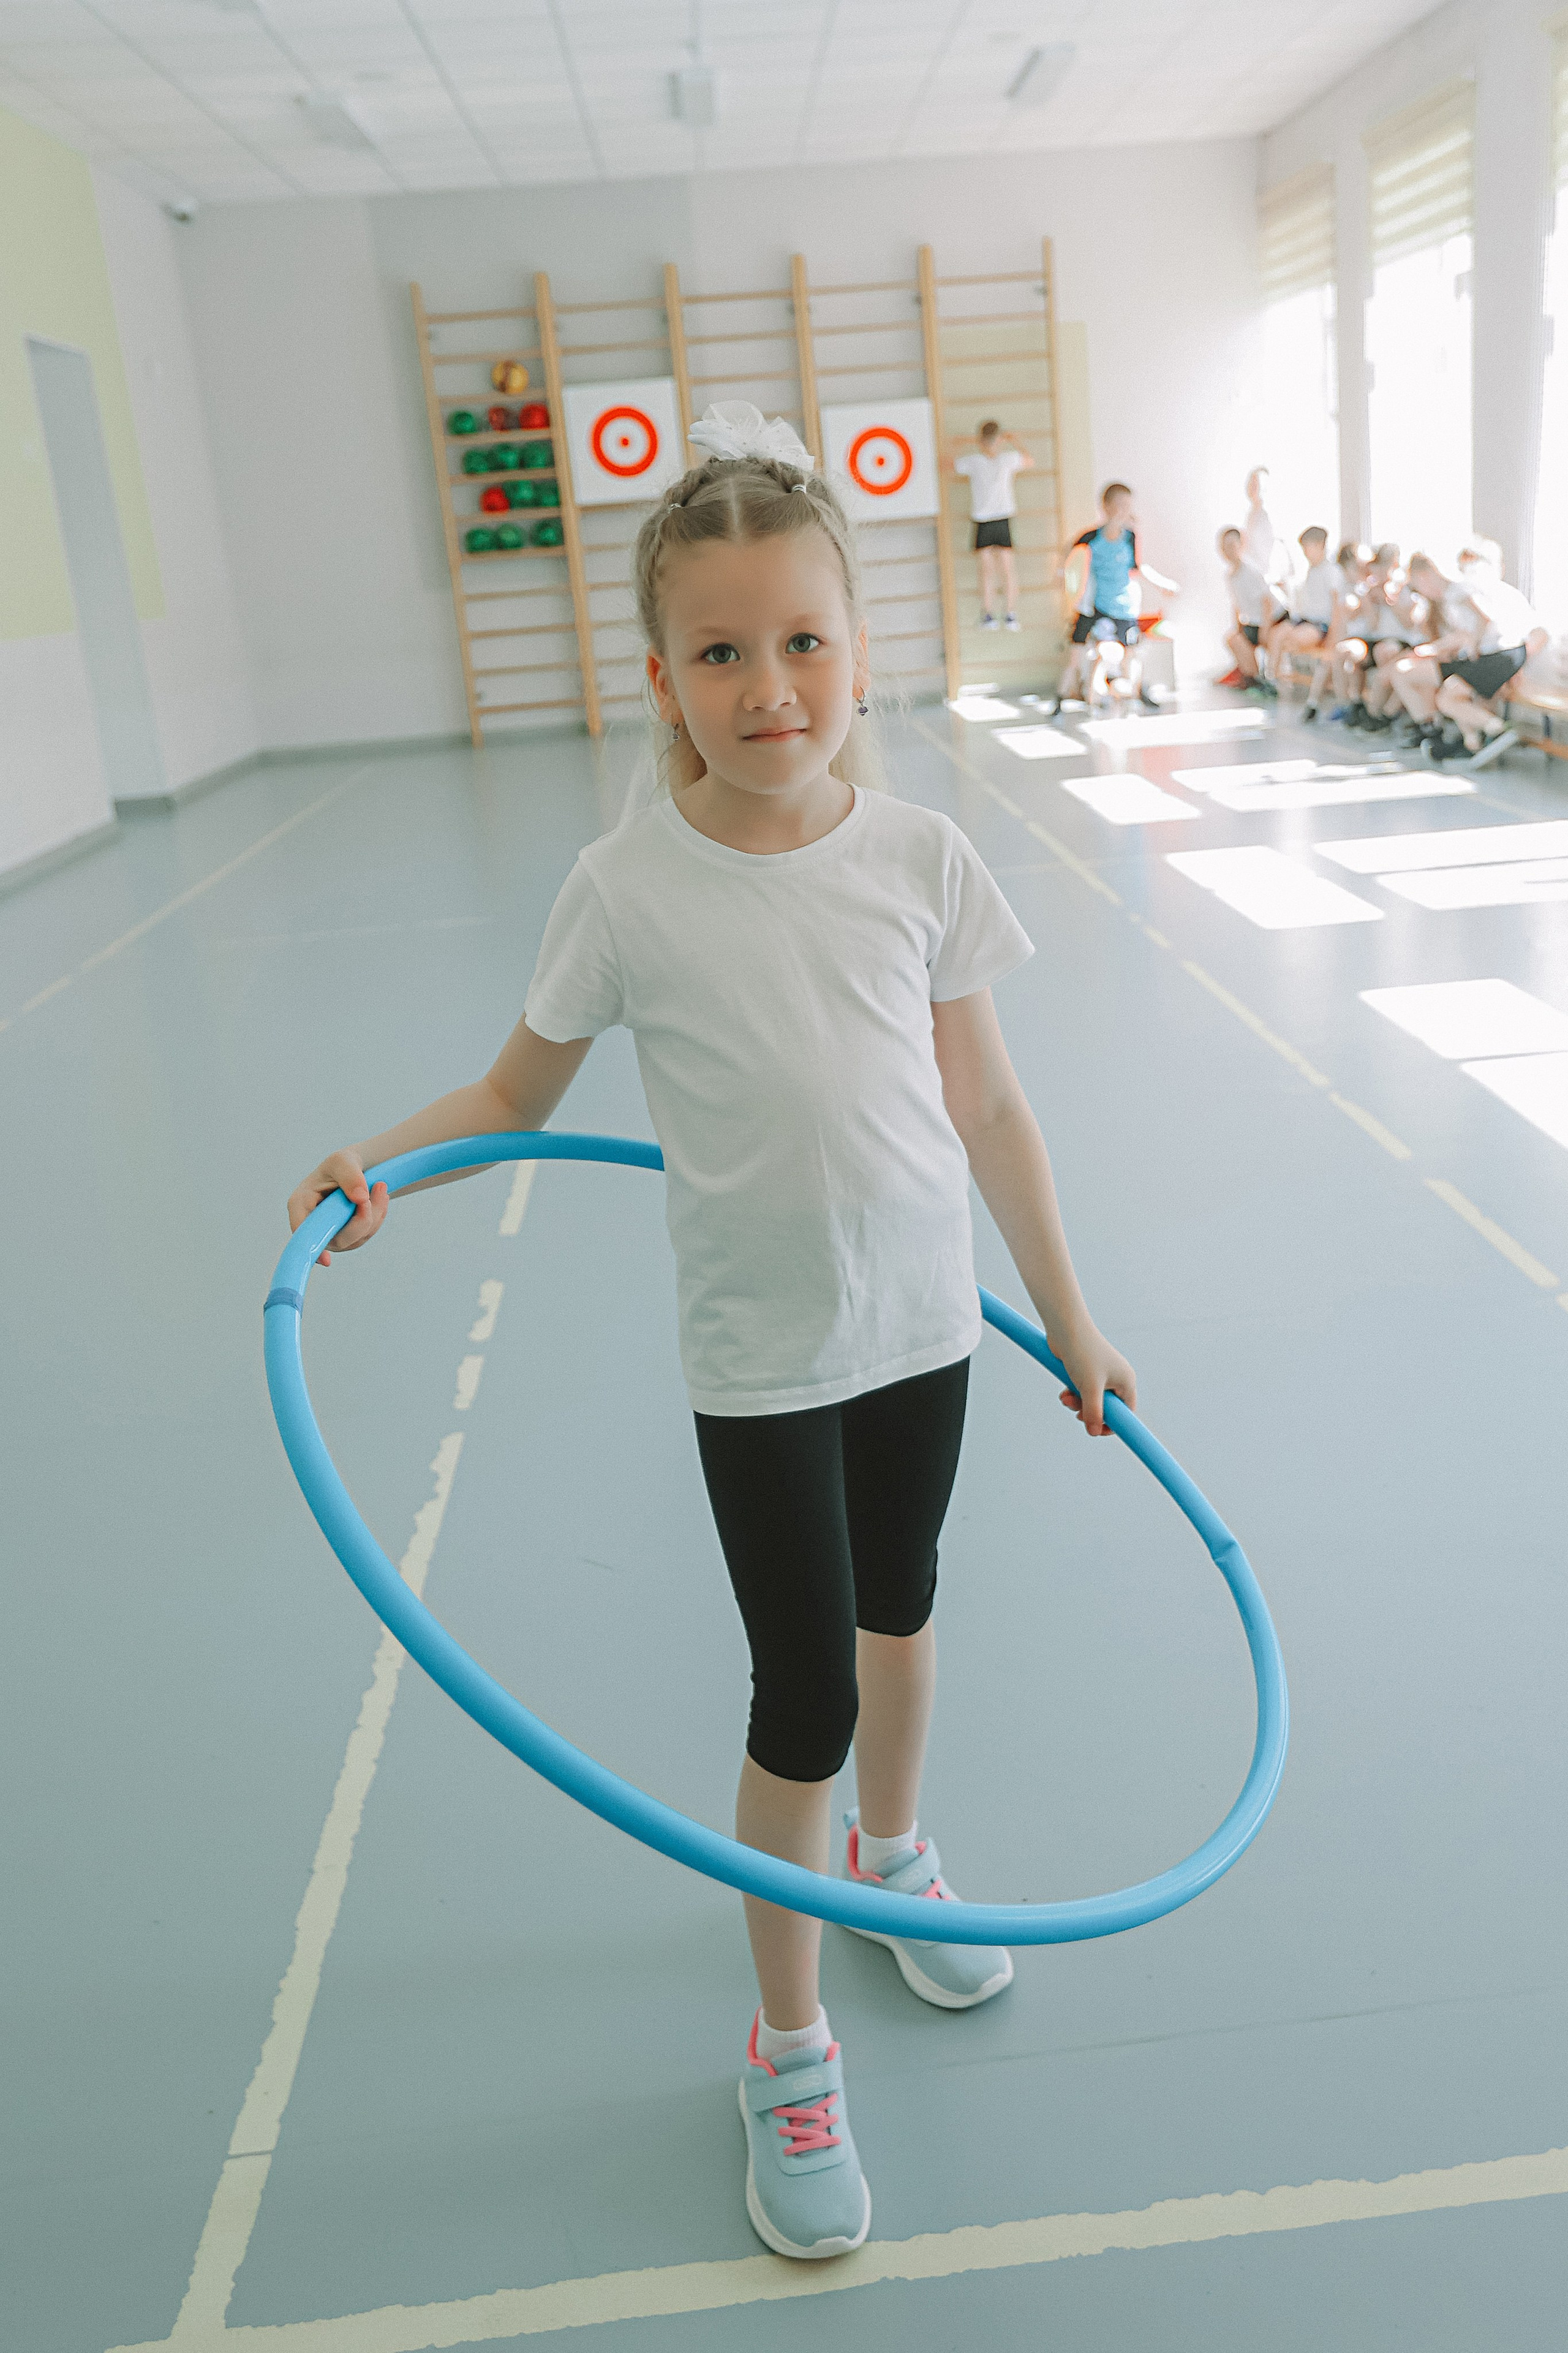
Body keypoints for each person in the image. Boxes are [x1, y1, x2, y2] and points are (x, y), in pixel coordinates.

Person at [284, 406, 1135, 2265]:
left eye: (803, 641)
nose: (770, 688)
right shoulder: (628, 887)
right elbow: (517, 1086)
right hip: (760, 1355)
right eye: (724, 651)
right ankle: (788, 2033)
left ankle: (897, 1862)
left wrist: (1070, 1318)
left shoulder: (919, 857)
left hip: (922, 1326)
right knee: (803, 1687)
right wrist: (383, 1167)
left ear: (858, 646)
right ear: (661, 675)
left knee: (903, 1615)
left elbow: (989, 1108)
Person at [1387, 545, 1546, 768]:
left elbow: (1485, 618)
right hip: (1498, 654)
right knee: (1448, 697)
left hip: (1498, 656)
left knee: (1446, 697)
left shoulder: (1457, 591)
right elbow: (1468, 629)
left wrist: (1473, 643)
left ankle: (1498, 730)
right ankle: (1478, 738)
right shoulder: (1456, 593)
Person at [1056, 482, 1180, 712]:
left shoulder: (1130, 537)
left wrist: (1162, 584)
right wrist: (1061, 574)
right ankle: (1064, 696)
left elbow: (1139, 567)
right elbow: (1068, 551)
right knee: (1082, 649)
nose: (1124, 510)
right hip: (1096, 606)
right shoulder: (1092, 537)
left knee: (1130, 656)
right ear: (1106, 507)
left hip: (1124, 607)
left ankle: (1134, 691)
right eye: (1119, 505)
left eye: (1127, 506)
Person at [952, 420, 1033, 630]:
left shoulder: (1007, 459)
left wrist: (1014, 440)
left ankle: (1010, 613)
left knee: (1006, 569)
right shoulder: (974, 461)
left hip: (1001, 518)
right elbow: (947, 464)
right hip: (982, 519)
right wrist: (965, 442)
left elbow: (1029, 460)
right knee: (987, 570)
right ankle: (988, 613)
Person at [1264, 526, 1341, 697]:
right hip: (1304, 621)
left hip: (1321, 625)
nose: (1306, 552)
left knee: (1290, 640)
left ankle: (1312, 683)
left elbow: (1338, 607)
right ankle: (1271, 680)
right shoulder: (1311, 570)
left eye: (1309, 547)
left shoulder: (1332, 572)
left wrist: (1333, 636)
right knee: (1276, 634)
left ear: (1321, 545)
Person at [1216, 524, 1272, 692]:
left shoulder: (1251, 571)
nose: (1228, 551)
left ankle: (1258, 680)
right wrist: (1238, 629)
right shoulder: (1230, 575)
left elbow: (1267, 601)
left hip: (1270, 622)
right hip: (1253, 622)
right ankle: (1252, 679)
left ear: (1241, 545)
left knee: (1241, 640)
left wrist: (1266, 629)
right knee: (1233, 639)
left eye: (1232, 546)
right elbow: (1237, 606)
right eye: (1225, 547)